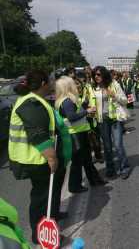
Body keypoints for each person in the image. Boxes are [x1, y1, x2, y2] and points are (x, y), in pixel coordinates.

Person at [8, 71, 67, 245]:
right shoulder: (31, 103)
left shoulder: (33, 100)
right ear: (42, 83)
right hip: (35, 161)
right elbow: (38, 135)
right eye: (49, 81)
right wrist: (52, 159)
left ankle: (52, 216)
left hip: (36, 159)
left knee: (47, 195)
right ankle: (41, 235)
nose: (51, 84)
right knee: (42, 198)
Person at [55, 76, 107, 193]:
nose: (75, 85)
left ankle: (94, 180)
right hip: (75, 134)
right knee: (79, 162)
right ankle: (75, 186)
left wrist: (85, 104)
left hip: (77, 133)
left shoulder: (66, 100)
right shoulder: (67, 101)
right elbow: (72, 117)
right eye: (72, 83)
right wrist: (87, 111)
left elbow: (75, 112)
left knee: (85, 160)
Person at [92, 66, 131, 179]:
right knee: (108, 147)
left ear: (104, 75)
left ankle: (125, 167)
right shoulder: (94, 88)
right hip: (102, 120)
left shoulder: (114, 85)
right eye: (95, 74)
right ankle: (110, 168)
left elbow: (124, 100)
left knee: (118, 145)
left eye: (98, 74)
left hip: (115, 119)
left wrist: (114, 95)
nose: (96, 77)